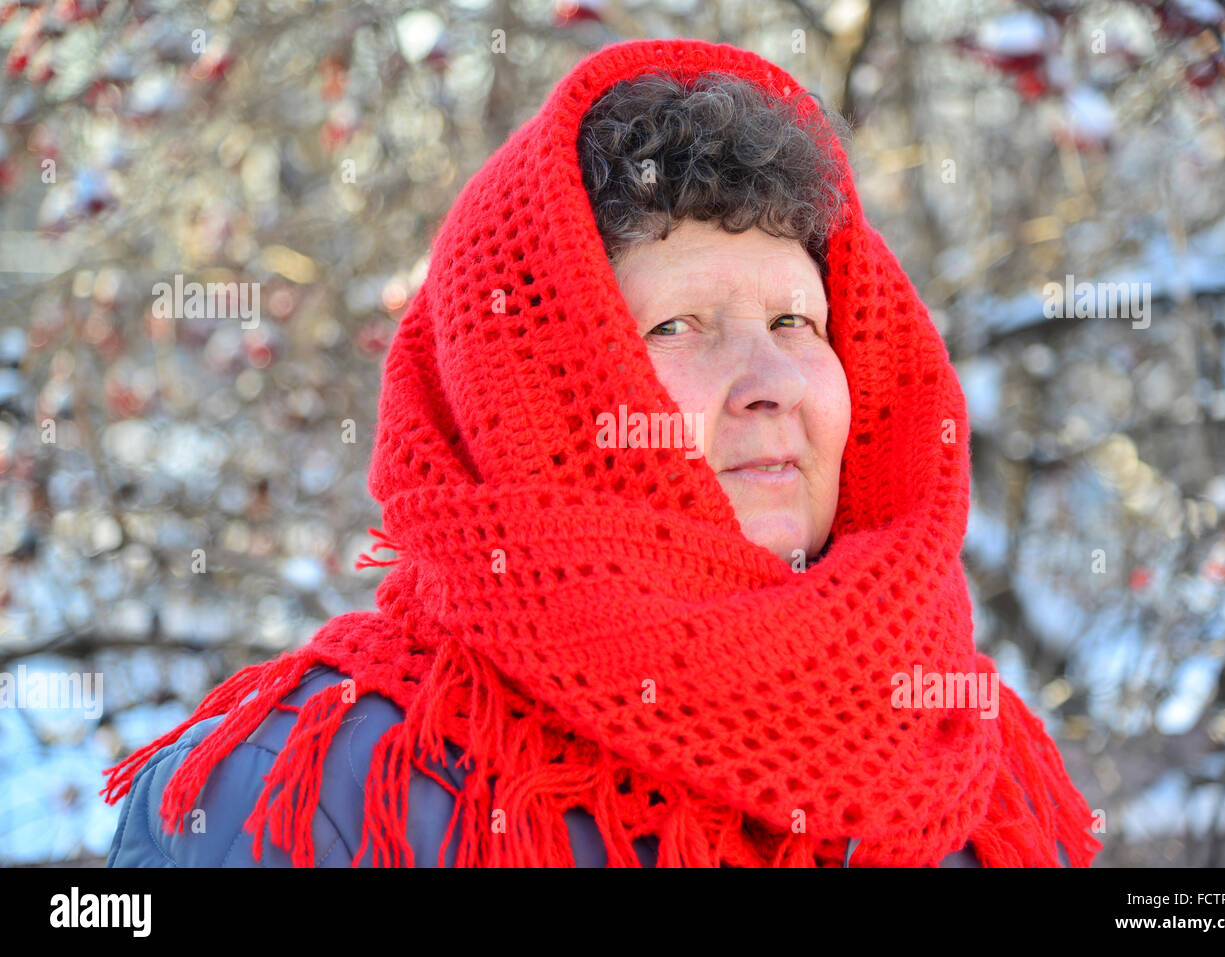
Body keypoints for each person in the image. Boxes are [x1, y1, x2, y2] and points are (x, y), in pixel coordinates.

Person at [103, 37, 1102, 868]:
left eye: (798, 323)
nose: (774, 382)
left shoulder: (974, 767)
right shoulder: (287, 802)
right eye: (679, 327)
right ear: (535, 397)